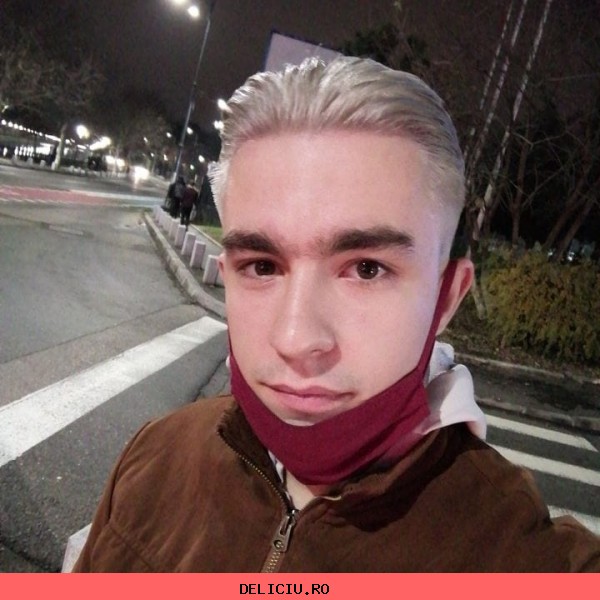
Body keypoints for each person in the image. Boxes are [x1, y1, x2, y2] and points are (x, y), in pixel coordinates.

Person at [74, 56, 600, 572]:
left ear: (446, 299)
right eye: (262, 266)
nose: (296, 338)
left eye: (367, 269)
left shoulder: (536, 562)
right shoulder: (152, 459)